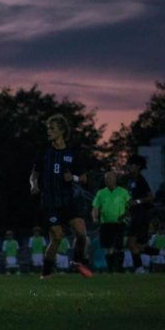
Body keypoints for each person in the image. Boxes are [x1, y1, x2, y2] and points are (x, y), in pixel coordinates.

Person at [29, 114, 92, 278]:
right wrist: (33, 185)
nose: (48, 131)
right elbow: (34, 174)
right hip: (49, 202)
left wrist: (74, 178)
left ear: (62, 131)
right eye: (48, 128)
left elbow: (84, 178)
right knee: (57, 237)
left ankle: (77, 263)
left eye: (52, 128)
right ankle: (46, 273)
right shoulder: (44, 152)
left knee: (81, 235)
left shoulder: (72, 153)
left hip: (68, 201)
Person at [91, 171, 129, 273]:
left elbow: (130, 206)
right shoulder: (101, 193)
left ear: (115, 179)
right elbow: (95, 207)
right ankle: (110, 270)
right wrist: (95, 217)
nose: (108, 180)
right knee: (107, 248)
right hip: (105, 224)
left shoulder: (123, 192)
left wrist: (125, 215)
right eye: (106, 179)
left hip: (119, 224)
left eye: (110, 178)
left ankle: (120, 269)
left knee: (118, 246)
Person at [124, 155, 157, 273]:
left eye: (131, 164)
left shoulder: (140, 179)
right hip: (136, 215)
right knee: (137, 245)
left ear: (138, 166)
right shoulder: (131, 180)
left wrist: (136, 202)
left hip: (141, 215)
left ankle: (139, 269)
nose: (129, 166)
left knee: (131, 243)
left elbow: (151, 197)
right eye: (128, 164)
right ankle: (161, 253)